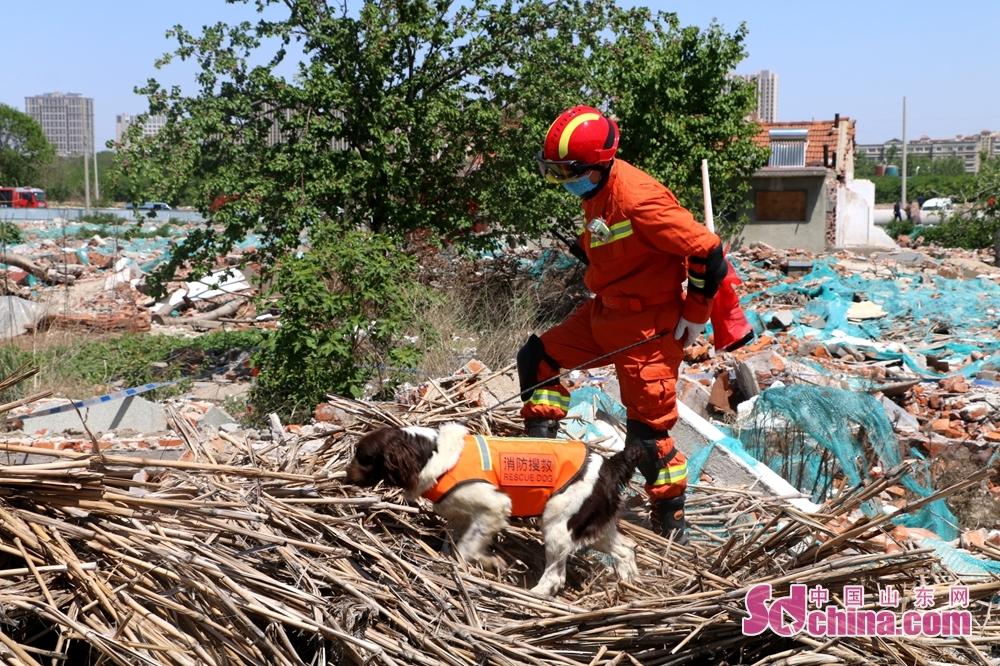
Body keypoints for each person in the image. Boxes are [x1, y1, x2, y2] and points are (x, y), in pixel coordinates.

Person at [517, 105, 729, 542]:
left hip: (648, 330)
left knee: (648, 441)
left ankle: (671, 527)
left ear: (599, 164)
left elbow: (706, 250)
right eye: (553, 172)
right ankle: (545, 470)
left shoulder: (640, 198)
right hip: (606, 313)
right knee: (538, 360)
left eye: (568, 172)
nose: (563, 182)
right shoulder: (595, 188)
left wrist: (695, 312)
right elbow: (609, 238)